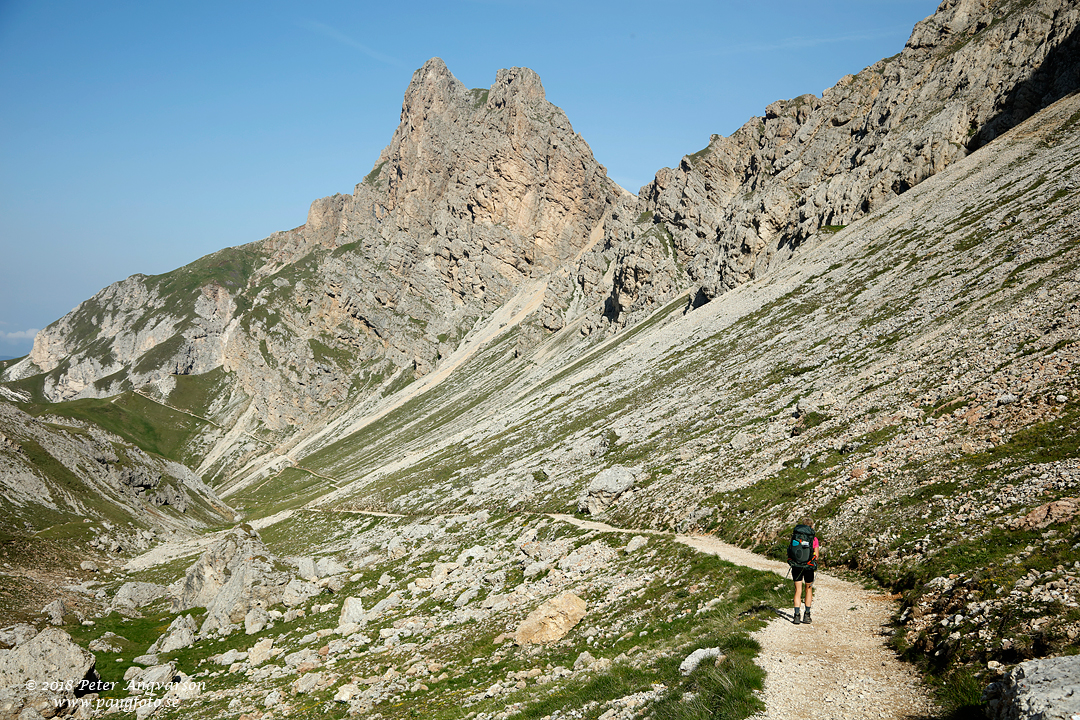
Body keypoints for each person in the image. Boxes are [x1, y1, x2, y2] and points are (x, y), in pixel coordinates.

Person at [789, 517, 819, 624]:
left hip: (796, 566)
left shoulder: (796, 537)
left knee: (798, 590)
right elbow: (816, 556)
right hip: (808, 567)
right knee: (808, 589)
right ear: (811, 527)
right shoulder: (814, 539)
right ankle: (807, 615)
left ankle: (796, 616)